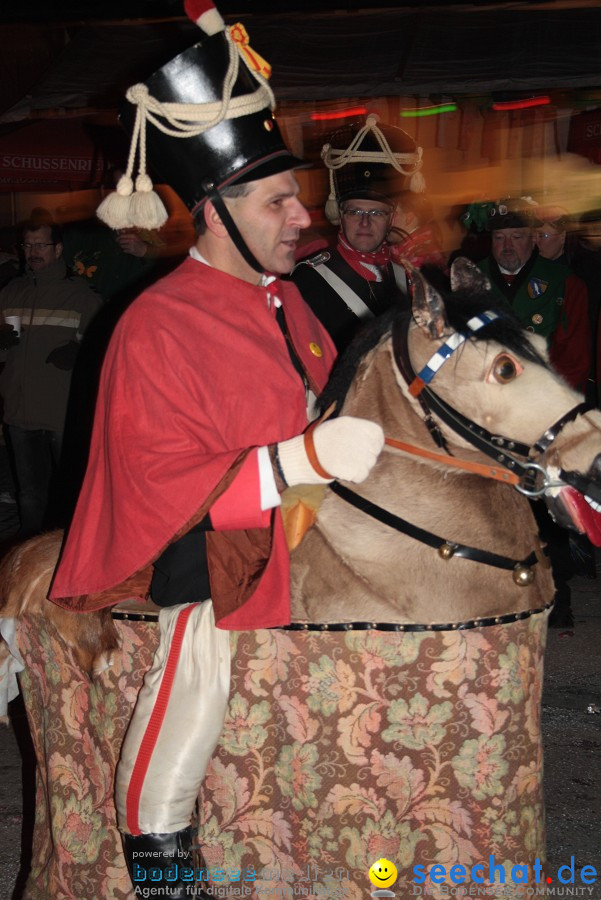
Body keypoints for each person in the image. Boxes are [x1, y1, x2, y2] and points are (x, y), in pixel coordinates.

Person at [48, 2, 384, 896]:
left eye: (297, 200)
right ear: (213, 215)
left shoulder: (289, 301)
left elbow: (321, 408)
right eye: (276, 202)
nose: (299, 218)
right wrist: (304, 463)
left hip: (302, 525)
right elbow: (165, 484)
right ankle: (161, 854)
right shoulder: (154, 322)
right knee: (200, 659)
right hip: (192, 543)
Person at [0, 220, 101, 537]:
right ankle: (31, 563)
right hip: (20, 411)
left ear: (58, 249)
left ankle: (75, 557)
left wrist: (79, 354)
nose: (32, 252)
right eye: (27, 246)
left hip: (63, 413)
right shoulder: (10, 293)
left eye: (40, 245)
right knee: (30, 497)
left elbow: (104, 353)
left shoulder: (81, 297)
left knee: (73, 494)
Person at [291, 115, 425, 352]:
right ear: (340, 216)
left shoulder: (406, 276)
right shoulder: (308, 279)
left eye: (376, 213)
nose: (364, 222)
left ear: (391, 218)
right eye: (355, 212)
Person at [477, 199, 591, 392]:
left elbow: (575, 361)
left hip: (543, 398)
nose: (507, 246)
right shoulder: (472, 278)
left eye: (517, 237)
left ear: (533, 239)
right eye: (499, 238)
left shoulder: (565, 284)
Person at [387, 190, 448, 271]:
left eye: (392, 215)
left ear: (409, 218)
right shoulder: (405, 251)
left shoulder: (421, 258)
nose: (385, 220)